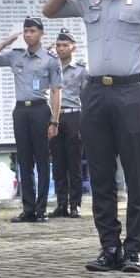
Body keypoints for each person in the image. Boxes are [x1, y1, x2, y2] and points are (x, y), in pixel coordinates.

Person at [43, 0, 140, 273]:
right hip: (95, 93)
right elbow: (49, 10)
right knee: (99, 174)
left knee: (135, 173)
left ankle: (134, 250)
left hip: (131, 92)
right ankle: (109, 247)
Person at [0, 16, 62, 223]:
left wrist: (54, 121)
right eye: (26, 31)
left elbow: (56, 92)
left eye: (33, 31)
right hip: (20, 111)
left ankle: (41, 208)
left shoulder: (51, 59)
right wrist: (4, 44)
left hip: (40, 110)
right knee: (24, 161)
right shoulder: (15, 55)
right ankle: (28, 209)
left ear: (41, 33)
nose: (28, 35)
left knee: (42, 161)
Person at [49, 29, 87, 218]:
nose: (61, 48)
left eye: (65, 45)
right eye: (58, 45)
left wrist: (84, 125)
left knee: (74, 164)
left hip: (74, 116)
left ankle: (75, 205)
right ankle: (61, 204)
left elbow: (87, 98)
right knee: (58, 163)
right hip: (56, 117)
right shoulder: (51, 66)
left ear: (74, 47)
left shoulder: (81, 69)